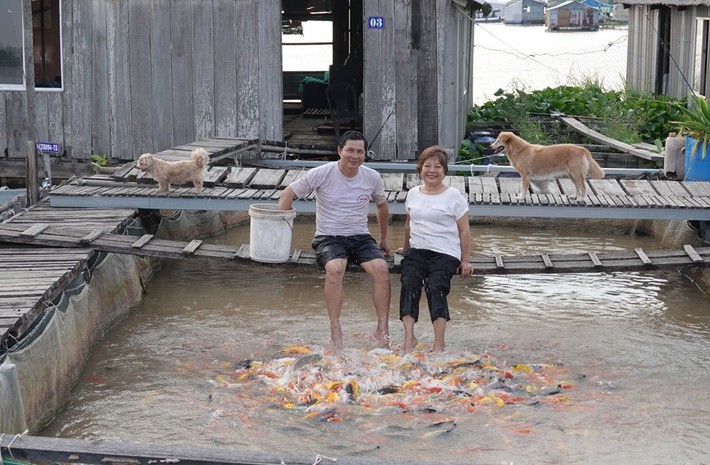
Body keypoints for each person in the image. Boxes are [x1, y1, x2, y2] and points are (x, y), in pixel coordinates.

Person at [278, 130, 391, 351]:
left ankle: (383, 328)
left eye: (360, 151)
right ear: (340, 151)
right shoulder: (322, 173)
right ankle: (335, 328)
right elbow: (287, 194)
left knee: (382, 270)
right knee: (335, 269)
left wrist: (384, 238)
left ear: (365, 155)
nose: (355, 155)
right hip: (328, 237)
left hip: (360, 236)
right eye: (350, 150)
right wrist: (281, 237)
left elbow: (381, 204)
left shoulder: (371, 177)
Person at [399, 145, 473, 353]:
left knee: (435, 286)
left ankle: (439, 342)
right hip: (418, 249)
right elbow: (408, 224)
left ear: (444, 171)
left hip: (445, 252)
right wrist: (405, 249)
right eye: (427, 166)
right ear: (420, 169)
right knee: (409, 283)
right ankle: (408, 340)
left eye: (437, 167)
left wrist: (465, 260)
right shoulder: (413, 193)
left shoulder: (454, 196)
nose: (432, 170)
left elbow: (464, 231)